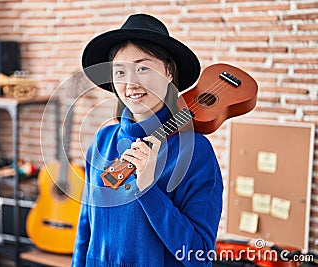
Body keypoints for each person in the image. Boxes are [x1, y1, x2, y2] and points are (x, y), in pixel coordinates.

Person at [72, 13, 223, 266]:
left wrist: (148, 190)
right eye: (120, 71)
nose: (130, 83)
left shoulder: (197, 153)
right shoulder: (102, 140)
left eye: (143, 67)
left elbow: (199, 256)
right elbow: (85, 230)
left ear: (168, 71)